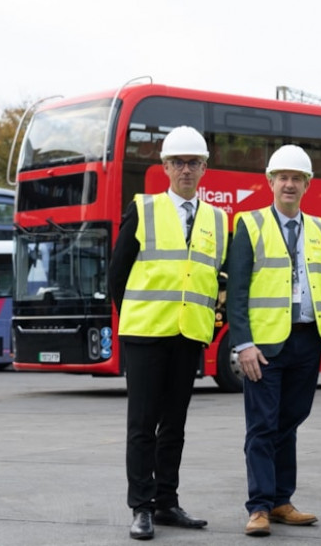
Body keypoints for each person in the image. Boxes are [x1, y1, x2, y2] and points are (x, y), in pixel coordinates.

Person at [108, 125, 228, 541]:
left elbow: (216, 277)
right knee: (142, 423)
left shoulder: (217, 218)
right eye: (178, 162)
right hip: (145, 335)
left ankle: (166, 502)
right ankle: (140, 507)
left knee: (174, 425)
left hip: (188, 335)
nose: (186, 170)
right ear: (165, 167)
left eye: (194, 162)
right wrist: (137, 319)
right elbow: (117, 275)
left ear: (205, 168)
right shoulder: (142, 209)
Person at [226, 144, 321, 537]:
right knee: (262, 425)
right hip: (265, 346)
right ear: (270, 181)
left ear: (308, 185)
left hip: (307, 340)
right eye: (283, 177)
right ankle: (259, 506)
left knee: (289, 422)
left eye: (297, 178)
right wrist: (243, 344)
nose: (289, 184)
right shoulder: (249, 224)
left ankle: (280, 500)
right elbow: (236, 291)